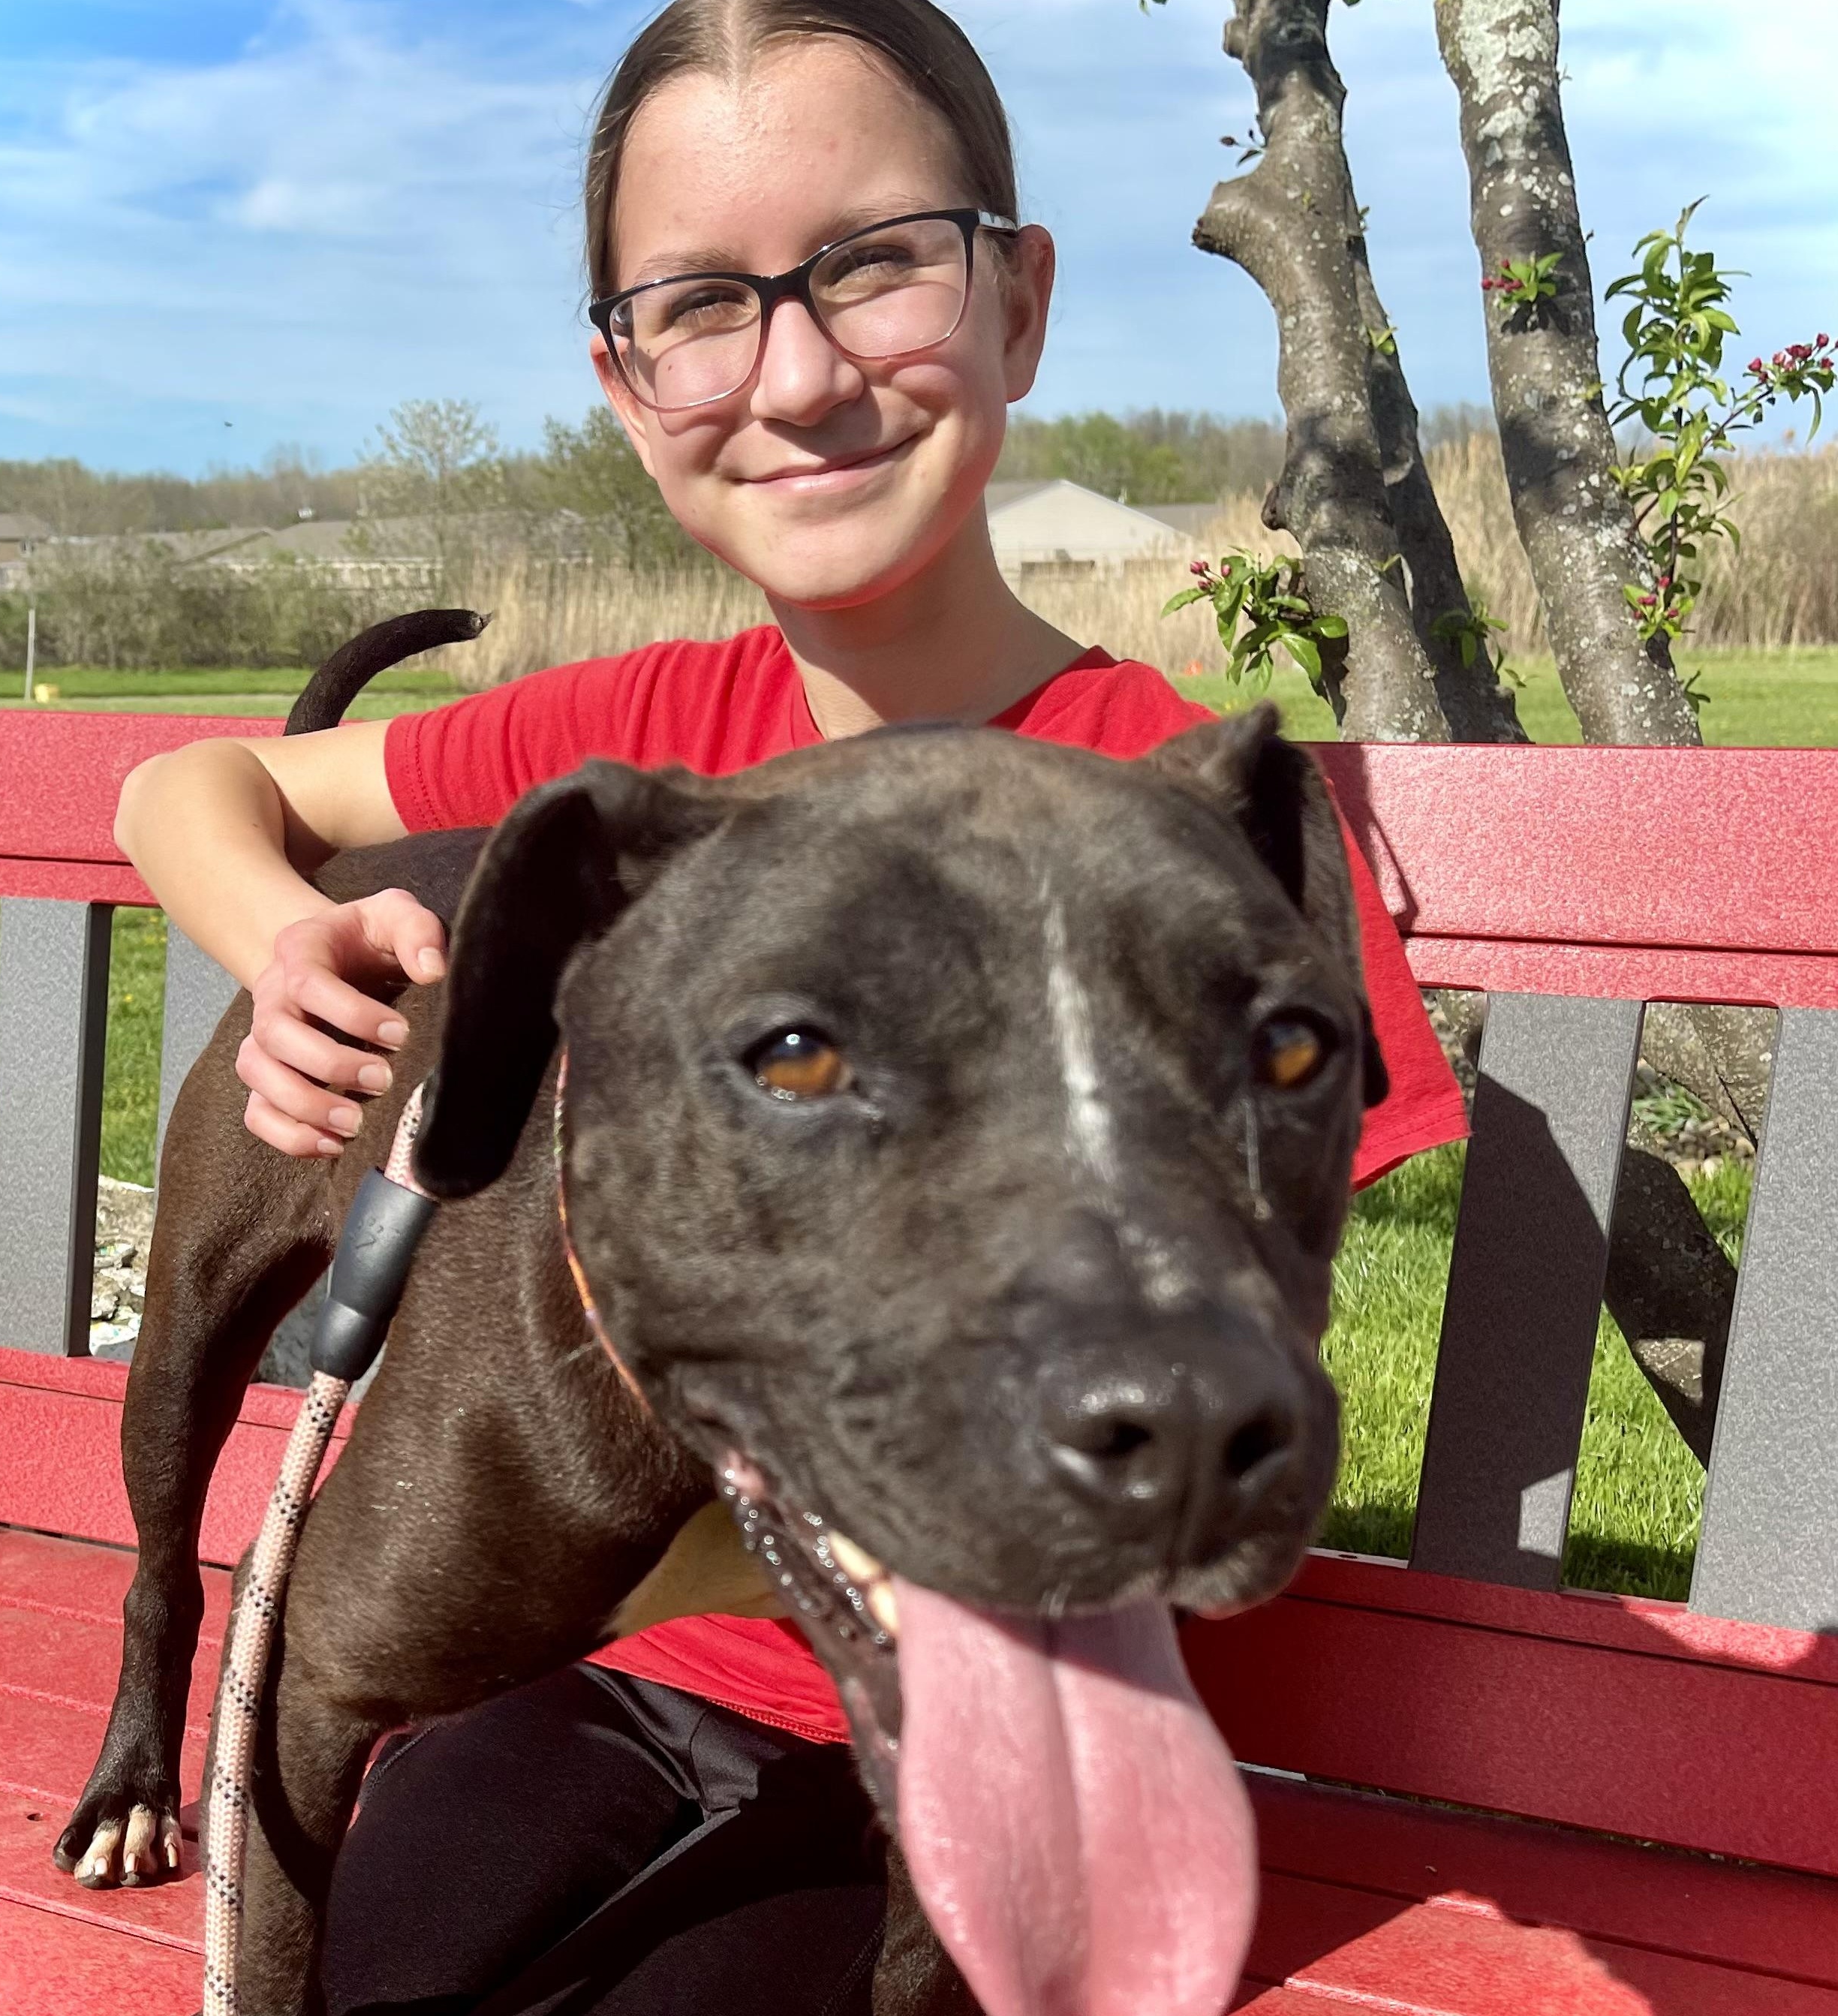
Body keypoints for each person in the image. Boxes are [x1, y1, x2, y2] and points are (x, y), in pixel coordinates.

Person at [116, 2, 1469, 2008]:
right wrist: (281, 934)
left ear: (1019, 301)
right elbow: (186, 785)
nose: (805, 370)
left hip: (993, 1684)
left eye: (877, 263)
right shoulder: (641, 739)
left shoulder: (1187, 820)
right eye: (704, 304)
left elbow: (1258, 1226)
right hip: (591, 1667)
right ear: (629, 381)